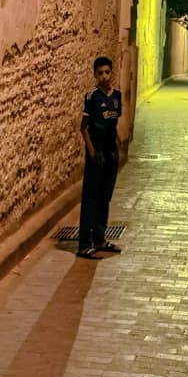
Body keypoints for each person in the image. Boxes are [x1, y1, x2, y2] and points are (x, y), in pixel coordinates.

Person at [77, 55, 123, 259]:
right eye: (100, 73)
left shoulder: (117, 97)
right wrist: (92, 152)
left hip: (110, 151)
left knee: (105, 197)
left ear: (111, 72)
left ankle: (100, 238)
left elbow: (114, 124)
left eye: (107, 72)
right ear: (95, 75)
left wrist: (118, 148)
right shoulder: (92, 96)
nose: (104, 76)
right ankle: (84, 243)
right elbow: (83, 127)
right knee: (91, 199)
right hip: (97, 151)